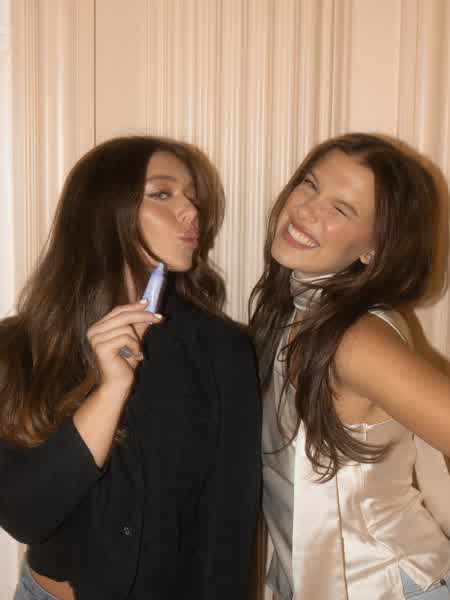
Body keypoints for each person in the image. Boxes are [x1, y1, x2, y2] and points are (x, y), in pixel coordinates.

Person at [0, 136, 261, 600]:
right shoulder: (19, 347)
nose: (191, 212)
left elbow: (227, 529)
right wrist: (109, 392)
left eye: (193, 198)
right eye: (162, 193)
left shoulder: (223, 351)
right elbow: (25, 516)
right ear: (102, 209)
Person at [249, 133, 450, 600]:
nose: (306, 209)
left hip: (387, 585)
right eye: (310, 184)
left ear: (373, 250)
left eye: (341, 209)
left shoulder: (356, 342)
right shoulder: (290, 312)